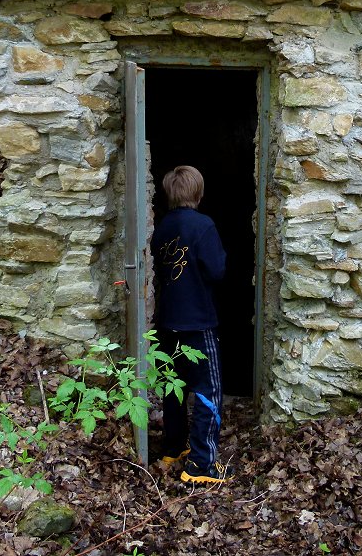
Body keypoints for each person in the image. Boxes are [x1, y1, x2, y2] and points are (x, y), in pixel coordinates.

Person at [150, 165, 233, 484]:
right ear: (198, 193)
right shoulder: (203, 225)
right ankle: (201, 464)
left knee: (174, 388)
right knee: (208, 390)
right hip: (198, 323)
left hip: (167, 322)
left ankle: (172, 447)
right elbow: (216, 270)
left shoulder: (160, 227)